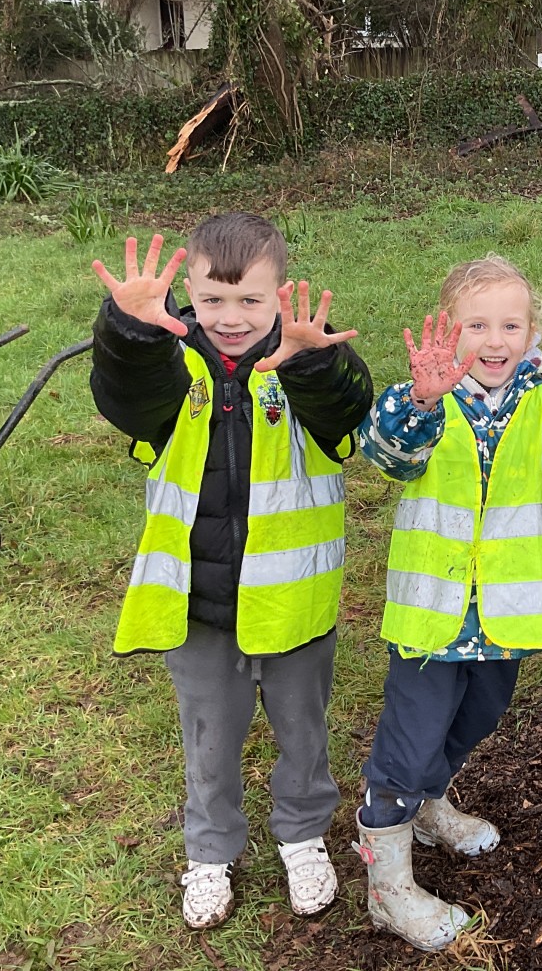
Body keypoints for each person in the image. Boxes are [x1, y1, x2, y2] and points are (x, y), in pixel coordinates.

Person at [89, 215, 373, 930]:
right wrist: (130, 331)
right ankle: (209, 852)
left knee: (302, 731)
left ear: (280, 294)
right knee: (209, 736)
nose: (231, 317)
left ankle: (303, 837)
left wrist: (310, 363)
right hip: (197, 601)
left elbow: (349, 412)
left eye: (250, 300)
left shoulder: (308, 352)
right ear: (188, 293)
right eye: (213, 301)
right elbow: (125, 397)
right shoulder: (171, 362)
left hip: (292, 601)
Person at [352, 254, 542, 952]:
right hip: (432, 613)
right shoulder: (423, 396)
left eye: (511, 324)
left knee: (479, 715)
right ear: (450, 330)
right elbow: (385, 454)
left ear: (534, 334)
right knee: (407, 745)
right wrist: (420, 402)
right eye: (477, 324)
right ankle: (389, 887)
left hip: (507, 614)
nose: (495, 340)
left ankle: (431, 806)